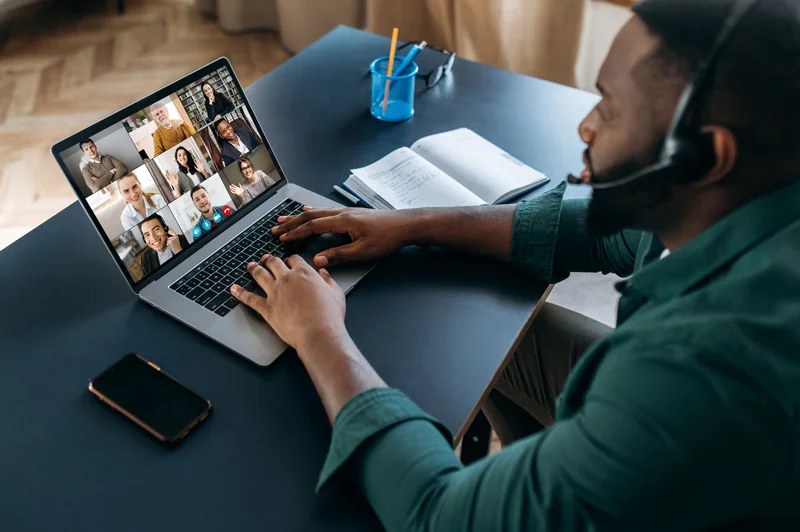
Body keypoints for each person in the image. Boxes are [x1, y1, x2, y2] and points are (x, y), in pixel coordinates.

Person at [227, 0, 800, 529]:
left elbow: (436, 514)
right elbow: (592, 231)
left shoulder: (702, 372)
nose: (587, 127)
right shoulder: (746, 197)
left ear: (707, 155)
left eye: (613, 108)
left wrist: (318, 332)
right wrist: (409, 224)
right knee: (500, 342)